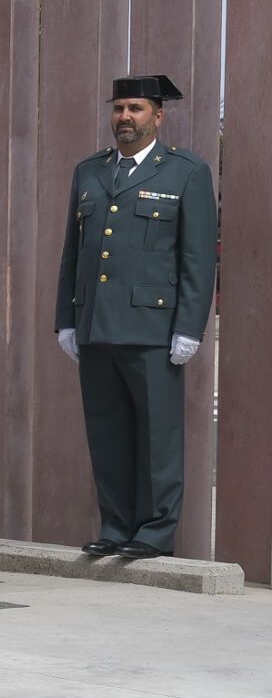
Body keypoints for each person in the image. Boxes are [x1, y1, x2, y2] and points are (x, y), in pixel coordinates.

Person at [55, 74, 217, 560]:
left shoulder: (185, 171)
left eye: (136, 109)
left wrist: (190, 327)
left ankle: (154, 531)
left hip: (153, 328)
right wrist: (66, 317)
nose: (125, 117)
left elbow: (198, 258)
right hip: (97, 324)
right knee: (107, 432)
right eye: (119, 108)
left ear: (158, 117)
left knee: (157, 436)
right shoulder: (90, 171)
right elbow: (74, 252)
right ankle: (115, 525)